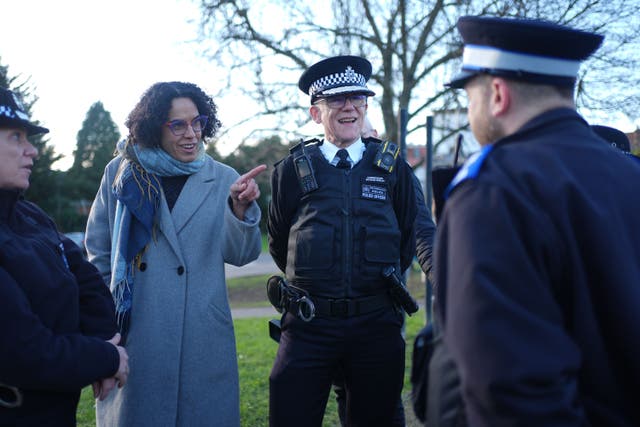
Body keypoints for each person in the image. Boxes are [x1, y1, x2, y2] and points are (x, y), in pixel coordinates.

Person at [434, 16, 640, 426]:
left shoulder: (494, 189)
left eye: (470, 96)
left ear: (496, 94)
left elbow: (511, 393)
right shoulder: (629, 174)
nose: (470, 110)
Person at [85, 81, 265, 426]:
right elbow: (98, 251)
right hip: (137, 332)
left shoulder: (224, 178)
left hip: (201, 333)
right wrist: (105, 321)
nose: (191, 134)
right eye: (178, 125)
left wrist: (239, 211)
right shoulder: (121, 174)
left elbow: (242, 255)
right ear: (155, 127)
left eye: (198, 122)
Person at [268, 55, 418, 426]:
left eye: (357, 98)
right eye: (336, 99)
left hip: (376, 326)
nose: (349, 106)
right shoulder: (292, 170)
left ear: (366, 105)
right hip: (308, 326)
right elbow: (278, 241)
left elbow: (408, 238)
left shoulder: (393, 167)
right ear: (315, 113)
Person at [0, 87, 129, 426]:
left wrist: (104, 337)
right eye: (16, 137)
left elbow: (84, 278)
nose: (33, 151)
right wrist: (105, 358)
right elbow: (25, 351)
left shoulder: (29, 215)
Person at [329, 117, 436, 426]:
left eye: (364, 138)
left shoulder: (396, 174)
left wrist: (448, 283)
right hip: (330, 320)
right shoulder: (325, 173)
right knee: (346, 394)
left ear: (376, 136)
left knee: (382, 400)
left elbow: (422, 234)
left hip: (379, 314)